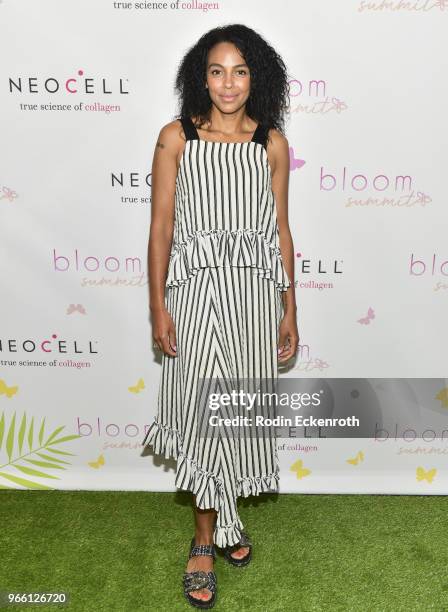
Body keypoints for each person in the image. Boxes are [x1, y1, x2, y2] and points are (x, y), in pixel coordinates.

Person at [142, 23, 299, 608]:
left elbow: (280, 230)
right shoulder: (176, 138)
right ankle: (205, 538)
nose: (227, 83)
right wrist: (158, 306)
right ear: (199, 77)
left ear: (255, 77)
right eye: (216, 70)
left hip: (254, 298)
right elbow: (160, 229)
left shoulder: (271, 144)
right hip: (195, 294)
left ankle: (228, 518)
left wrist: (289, 308)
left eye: (239, 71)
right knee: (206, 417)